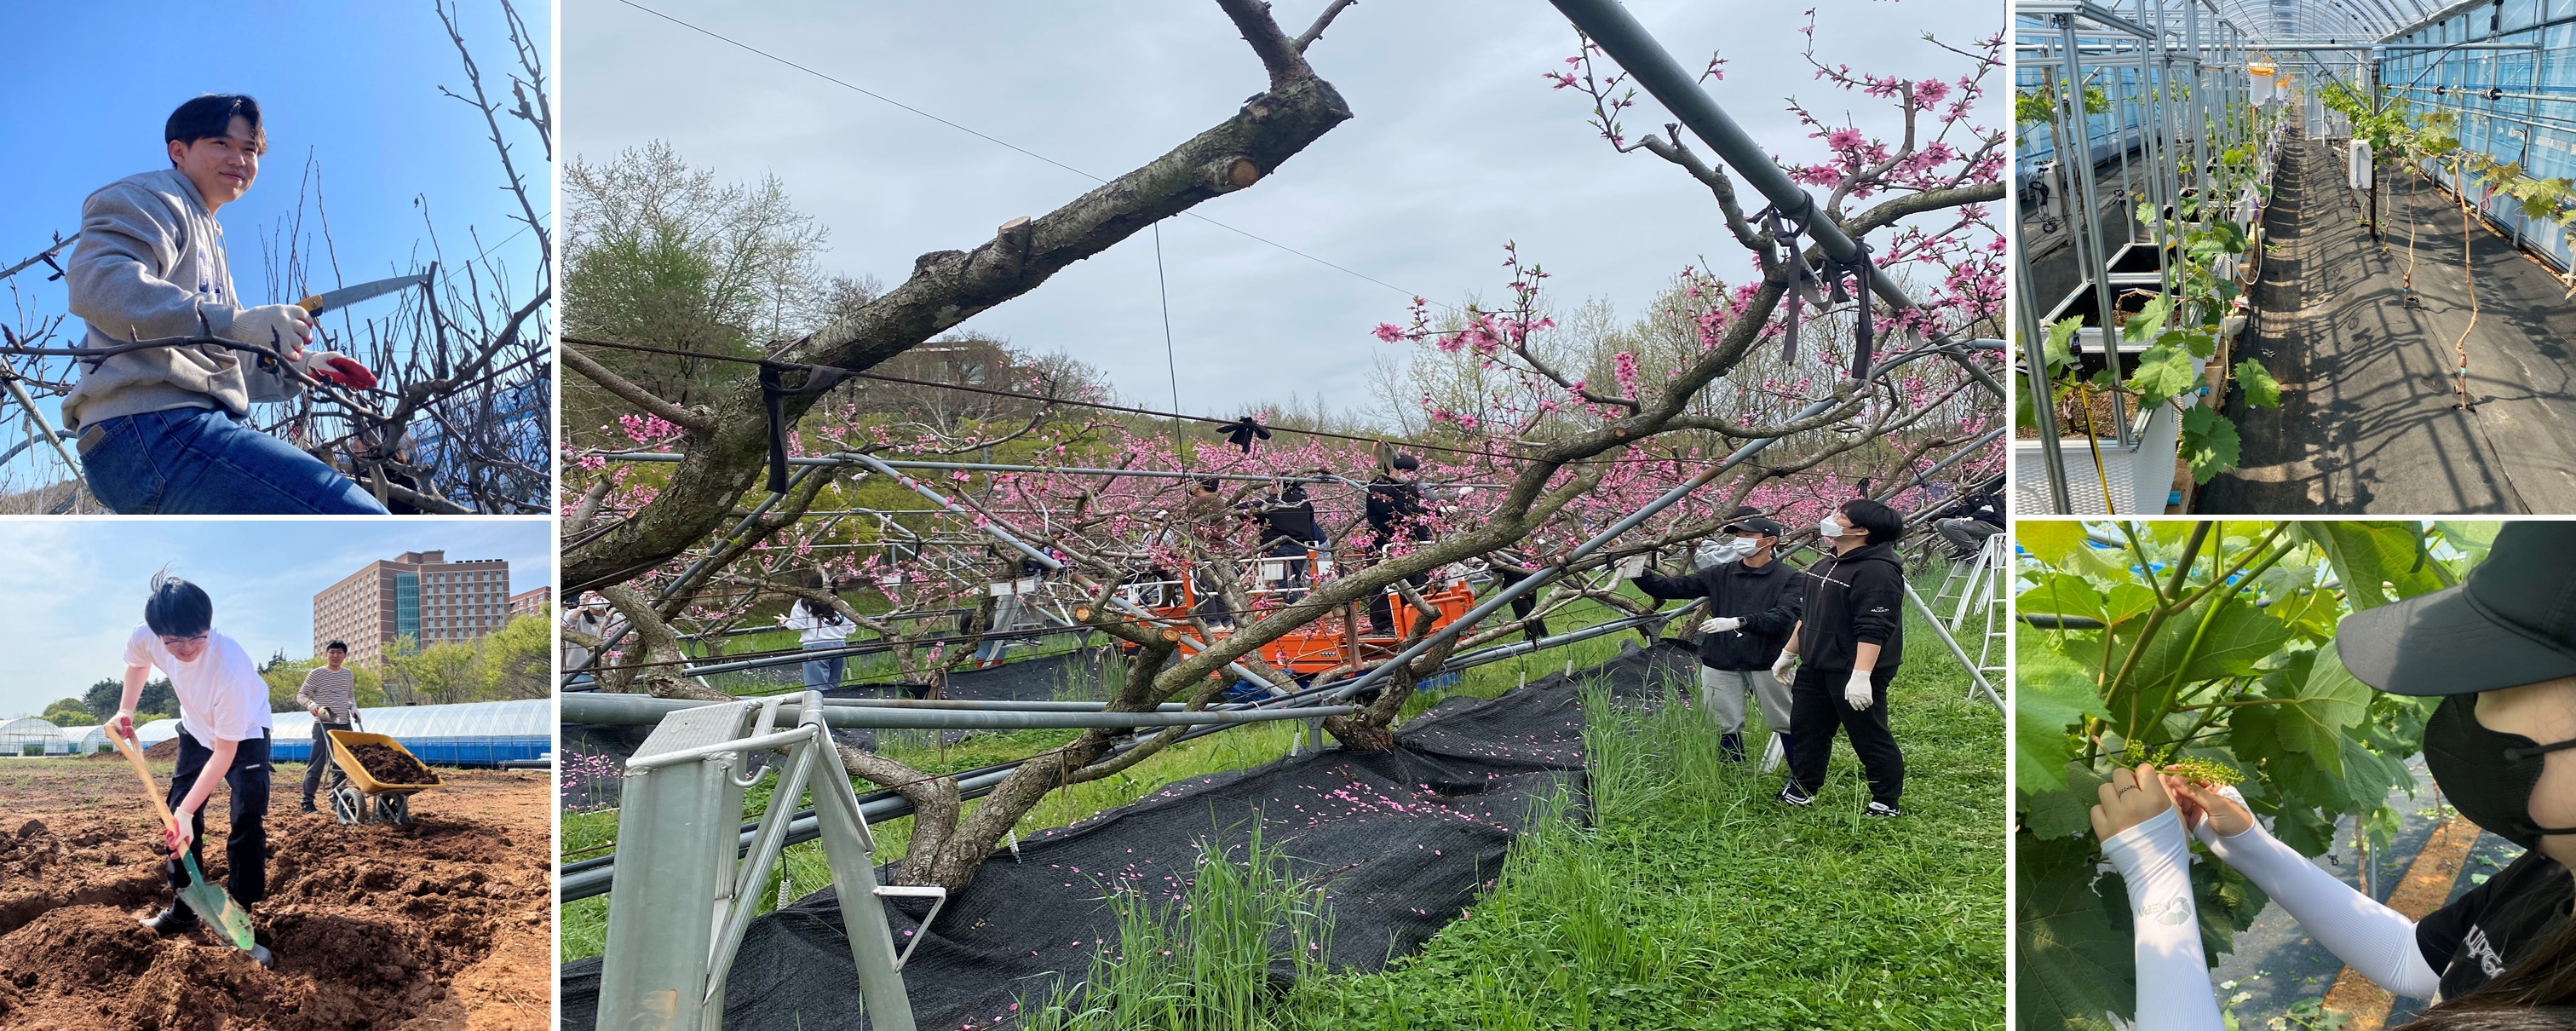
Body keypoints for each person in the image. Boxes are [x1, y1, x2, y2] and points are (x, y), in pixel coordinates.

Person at [2090, 522, 2576, 1029]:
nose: (2464, 708)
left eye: (2494, 685)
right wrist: (2246, 843)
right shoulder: (2551, 875)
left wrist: (2155, 875)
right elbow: (2411, 961)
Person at [64, 94, 383, 515]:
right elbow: (99, 285)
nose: (239, 159)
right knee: (357, 516)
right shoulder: (146, 196)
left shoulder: (211, 237)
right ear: (178, 151)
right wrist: (233, 322)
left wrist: (300, 366)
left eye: (250, 150)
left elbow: (223, 358)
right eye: (221, 143)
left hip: (173, 431)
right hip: (152, 428)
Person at [106, 571, 273, 963]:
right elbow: (137, 665)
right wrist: (125, 709)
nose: (185, 649)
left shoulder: (229, 668)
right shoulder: (146, 635)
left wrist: (186, 811)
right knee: (177, 821)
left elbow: (225, 752)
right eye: (174, 641)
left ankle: (239, 915)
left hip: (244, 732)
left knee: (247, 816)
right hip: (196, 730)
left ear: (208, 627)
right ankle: (184, 912)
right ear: (157, 632)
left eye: (196, 638)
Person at [1772, 498, 1908, 816]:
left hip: (1855, 668)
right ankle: (1802, 788)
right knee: (1807, 728)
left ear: (1862, 530)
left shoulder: (1878, 572)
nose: (1831, 519)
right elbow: (1809, 614)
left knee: (1868, 734)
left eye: (1841, 516)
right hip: (1816, 662)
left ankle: (1885, 801)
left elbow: (1874, 627)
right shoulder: (1828, 562)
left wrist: (1861, 676)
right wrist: (1789, 652)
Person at [1632, 517, 1803, 764]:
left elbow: (1786, 616)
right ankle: (1733, 769)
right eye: (1737, 535)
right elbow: (1672, 588)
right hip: (1721, 658)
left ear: (1770, 541)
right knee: (1723, 718)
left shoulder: (1789, 577)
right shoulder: (1722, 573)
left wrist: (1740, 621)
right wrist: (1637, 570)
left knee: (1785, 718)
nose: (1740, 541)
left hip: (1767, 658)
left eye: (1748, 536)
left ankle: (1801, 775)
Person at [1364, 454, 1431, 632]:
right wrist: (1429, 512)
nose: (1409, 475)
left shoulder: (1402, 487)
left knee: (1409, 582)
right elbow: (1398, 512)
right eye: (1406, 471)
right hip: (1383, 542)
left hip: (1404, 542)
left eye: (1411, 472)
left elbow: (1412, 511)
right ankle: (1383, 624)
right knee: (1383, 584)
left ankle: (1406, 618)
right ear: (1392, 469)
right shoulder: (1379, 488)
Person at [294, 640, 358, 814]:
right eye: (332, 652)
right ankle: (307, 802)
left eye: (339, 653)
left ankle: (336, 800)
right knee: (318, 764)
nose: (335, 656)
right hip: (323, 723)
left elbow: (350, 696)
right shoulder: (317, 674)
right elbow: (301, 694)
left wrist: (353, 707)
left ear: (345, 655)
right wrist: (311, 705)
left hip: (344, 724)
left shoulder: (347, 674)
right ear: (326, 654)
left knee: (342, 765)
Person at [783, 594, 852, 688]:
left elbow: (798, 625)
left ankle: (819, 703)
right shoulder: (841, 603)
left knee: (816, 688)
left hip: (815, 647)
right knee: (834, 686)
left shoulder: (803, 603)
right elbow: (851, 629)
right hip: (840, 646)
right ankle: (833, 702)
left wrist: (786, 622)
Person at [1931, 481, 2004, 560]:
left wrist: (1971, 518)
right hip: (1979, 525)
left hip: (1994, 526)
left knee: (1950, 524)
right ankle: (1963, 548)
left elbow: (1987, 509)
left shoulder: (1979, 497)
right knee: (1940, 523)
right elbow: (1953, 512)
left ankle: (1972, 548)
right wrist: (1933, 516)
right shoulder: (1965, 501)